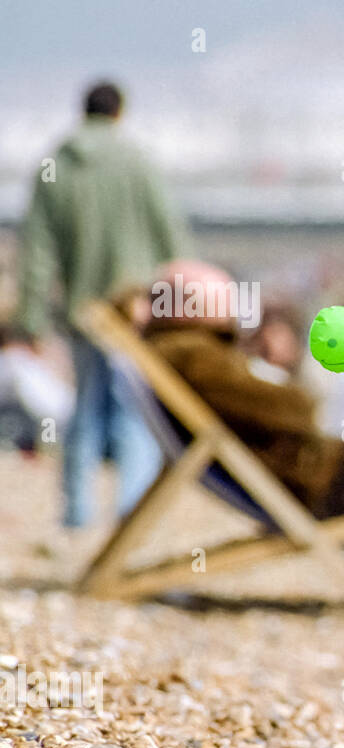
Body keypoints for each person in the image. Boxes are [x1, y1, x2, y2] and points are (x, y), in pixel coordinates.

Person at [12, 81, 193, 528]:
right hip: (134, 313)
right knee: (135, 410)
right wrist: (187, 303)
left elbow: (36, 249)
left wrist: (31, 317)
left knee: (85, 408)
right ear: (119, 113)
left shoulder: (55, 166)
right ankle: (129, 514)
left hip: (82, 310)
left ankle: (77, 514)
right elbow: (170, 234)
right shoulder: (138, 161)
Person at [132, 261, 344, 519]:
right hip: (333, 485)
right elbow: (296, 410)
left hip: (331, 477)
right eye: (223, 295)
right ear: (186, 307)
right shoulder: (193, 355)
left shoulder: (188, 351)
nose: (234, 305)